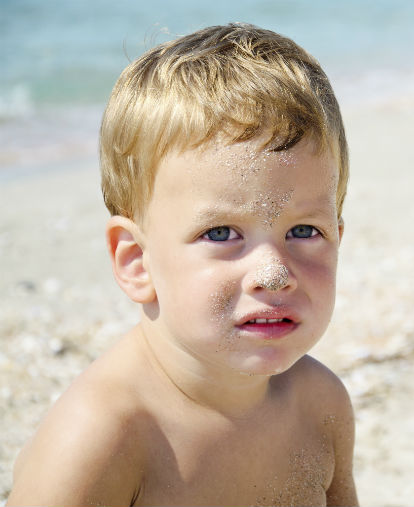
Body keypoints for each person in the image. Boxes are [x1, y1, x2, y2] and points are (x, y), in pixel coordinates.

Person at [8, 23, 357, 506]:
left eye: (304, 231)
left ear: (338, 237)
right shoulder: (102, 438)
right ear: (137, 262)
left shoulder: (321, 405)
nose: (274, 273)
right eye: (220, 234)